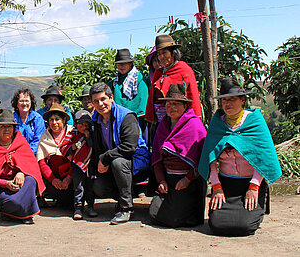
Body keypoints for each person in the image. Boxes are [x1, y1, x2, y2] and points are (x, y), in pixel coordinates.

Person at [199, 78, 282, 236]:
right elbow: (211, 158)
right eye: (224, 100)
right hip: (225, 185)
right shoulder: (218, 123)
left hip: (250, 184)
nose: (227, 104)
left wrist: (254, 186)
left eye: (232, 99)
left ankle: (258, 208)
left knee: (245, 226)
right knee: (216, 224)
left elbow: (263, 157)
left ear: (243, 100)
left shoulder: (255, 122)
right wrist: (216, 186)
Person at [89, 82, 150, 224]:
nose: (100, 104)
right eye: (96, 101)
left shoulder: (126, 116)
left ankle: (126, 208)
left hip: (136, 160)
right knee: (99, 187)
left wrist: (105, 158)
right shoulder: (96, 119)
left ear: (111, 98)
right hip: (114, 161)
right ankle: (122, 197)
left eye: (103, 99)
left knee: (118, 162)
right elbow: (98, 147)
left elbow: (129, 147)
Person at [148, 84, 207, 228]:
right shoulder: (163, 126)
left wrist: (187, 179)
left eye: (176, 103)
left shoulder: (195, 125)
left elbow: (202, 160)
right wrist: (161, 180)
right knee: (153, 213)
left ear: (185, 106)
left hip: (190, 181)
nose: (171, 107)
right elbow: (157, 159)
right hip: (169, 181)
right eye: (168, 103)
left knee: (177, 220)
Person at [0, 109, 45, 224]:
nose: (7, 130)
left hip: (20, 184)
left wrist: (21, 172)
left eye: (10, 126)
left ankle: (15, 214)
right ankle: (20, 213)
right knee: (11, 201)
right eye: (3, 127)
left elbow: (30, 165)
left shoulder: (20, 141)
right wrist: (5, 184)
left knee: (31, 180)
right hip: (1, 188)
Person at [145, 35, 202, 125]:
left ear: (173, 53)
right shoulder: (158, 72)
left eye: (164, 53)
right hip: (160, 121)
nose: (161, 57)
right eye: (159, 54)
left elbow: (192, 95)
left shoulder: (184, 70)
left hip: (180, 118)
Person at [36, 104, 74, 210]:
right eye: (51, 120)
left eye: (57, 119)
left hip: (72, 175)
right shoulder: (45, 137)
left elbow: (78, 159)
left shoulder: (73, 133)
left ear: (64, 120)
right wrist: (52, 179)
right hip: (55, 176)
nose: (54, 123)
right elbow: (42, 162)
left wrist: (69, 178)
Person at [110, 48, 150, 142]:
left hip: (138, 119)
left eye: (124, 63)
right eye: (119, 64)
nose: (121, 66)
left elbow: (142, 100)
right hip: (120, 119)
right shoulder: (115, 82)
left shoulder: (139, 78)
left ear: (130, 64)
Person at [11, 88, 46, 154]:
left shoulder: (37, 119)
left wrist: (26, 152)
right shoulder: (11, 118)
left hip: (32, 154)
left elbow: (39, 140)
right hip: (14, 153)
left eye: (27, 101)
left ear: (31, 102)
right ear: (16, 103)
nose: (24, 104)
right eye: (21, 101)